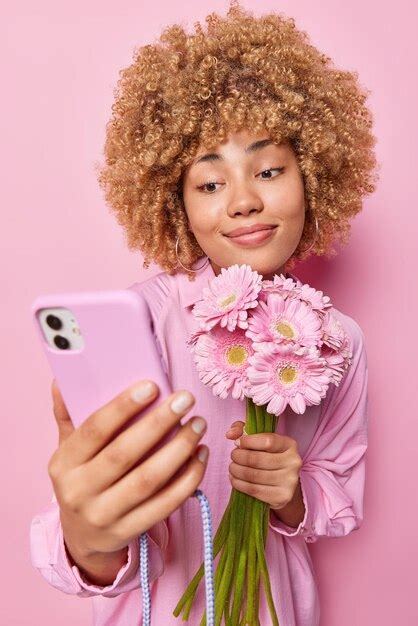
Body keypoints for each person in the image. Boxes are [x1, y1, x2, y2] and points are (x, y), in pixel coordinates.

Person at [29, 1, 378, 624]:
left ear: (315, 178)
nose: (244, 201)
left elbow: (340, 499)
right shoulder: (142, 320)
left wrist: (292, 496)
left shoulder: (339, 339)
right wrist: (87, 536)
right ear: (175, 203)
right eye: (210, 183)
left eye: (269, 170)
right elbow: (92, 528)